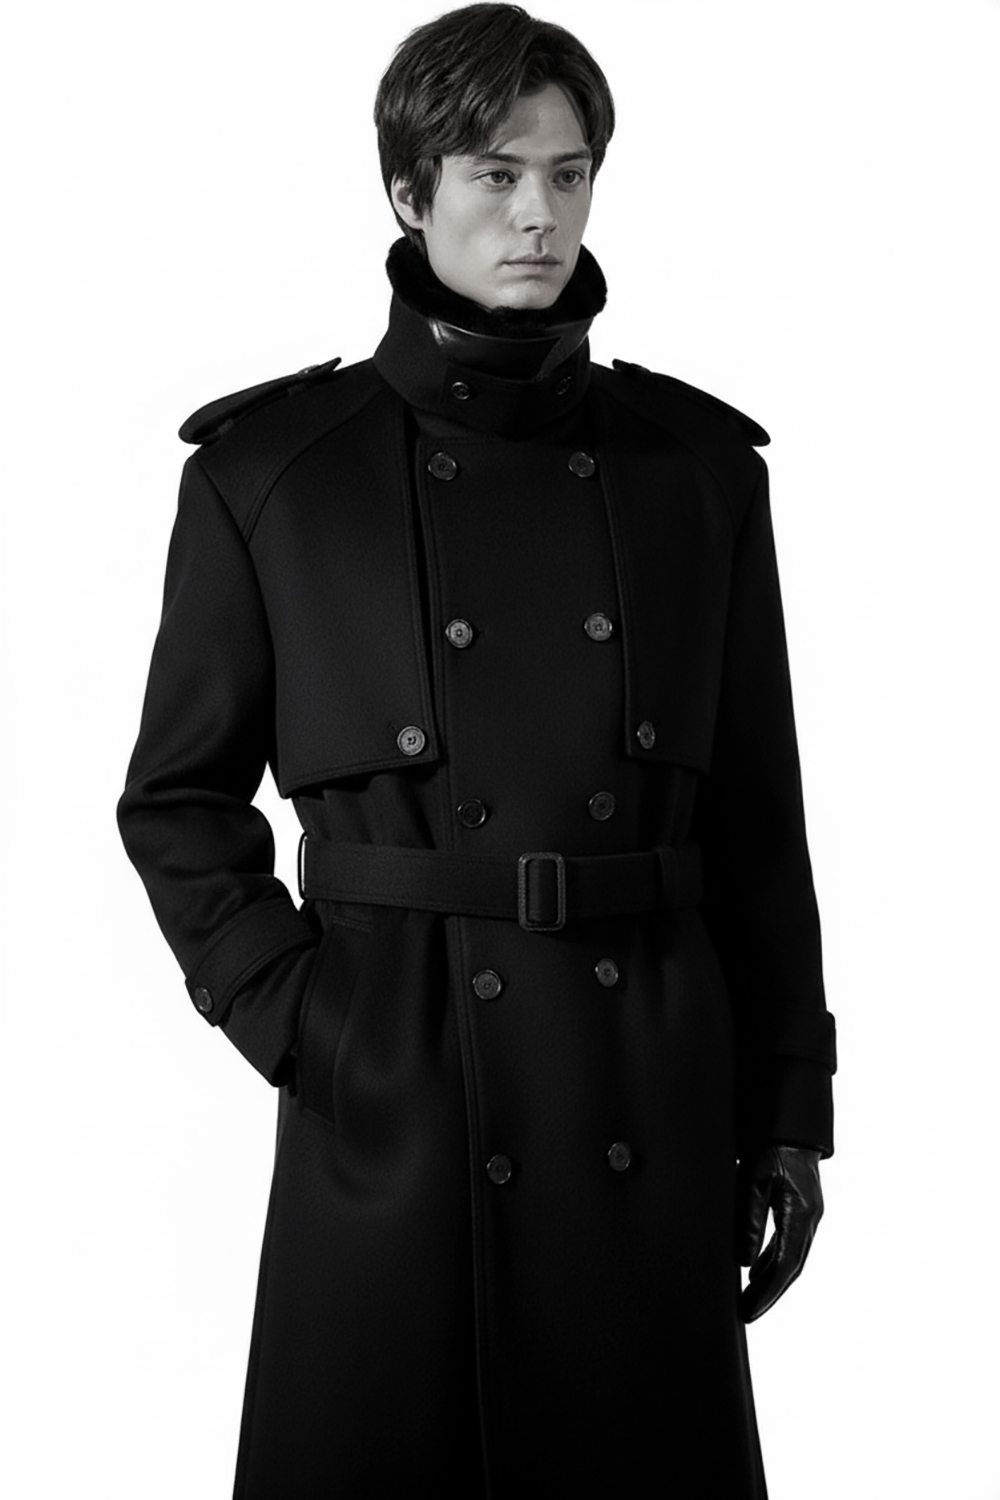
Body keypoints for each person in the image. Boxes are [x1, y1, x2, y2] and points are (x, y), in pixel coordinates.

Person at [117, 5, 836, 1495]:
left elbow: (760, 819)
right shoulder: (274, 474)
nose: (539, 215)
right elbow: (177, 801)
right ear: (409, 191)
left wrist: (786, 1110)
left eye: (569, 175)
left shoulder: (696, 471)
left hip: (646, 1093)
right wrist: (310, 1026)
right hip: (401, 1095)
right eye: (497, 175)